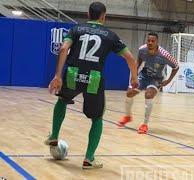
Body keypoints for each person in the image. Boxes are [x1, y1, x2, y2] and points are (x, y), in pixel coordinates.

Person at [45, 2, 138, 169]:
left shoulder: (76, 30)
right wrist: (134, 79)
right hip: (94, 78)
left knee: (62, 101)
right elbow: (130, 58)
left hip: (73, 73)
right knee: (97, 119)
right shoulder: (110, 35)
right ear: (104, 16)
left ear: (88, 14)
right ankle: (89, 159)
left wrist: (58, 75)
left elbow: (64, 48)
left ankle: (54, 135)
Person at [118, 32, 179, 134]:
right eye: (148, 41)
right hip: (144, 75)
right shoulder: (142, 50)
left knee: (148, 95)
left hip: (156, 79)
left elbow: (176, 66)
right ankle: (128, 116)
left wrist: (168, 81)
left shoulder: (165, 55)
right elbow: (139, 62)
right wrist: (134, 76)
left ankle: (144, 124)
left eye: (153, 41)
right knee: (129, 93)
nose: (150, 43)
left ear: (157, 42)